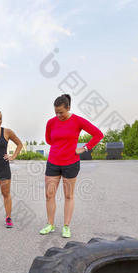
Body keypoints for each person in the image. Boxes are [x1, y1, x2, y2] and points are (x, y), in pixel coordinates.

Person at [40, 94, 104, 238]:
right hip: (53, 162)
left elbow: (98, 134)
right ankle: (50, 224)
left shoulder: (78, 121)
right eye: (56, 112)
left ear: (68, 107)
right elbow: (49, 140)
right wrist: (60, 147)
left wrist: (85, 148)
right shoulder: (51, 122)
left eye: (61, 112)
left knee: (68, 195)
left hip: (71, 163)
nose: (58, 115)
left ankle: (66, 226)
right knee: (49, 194)